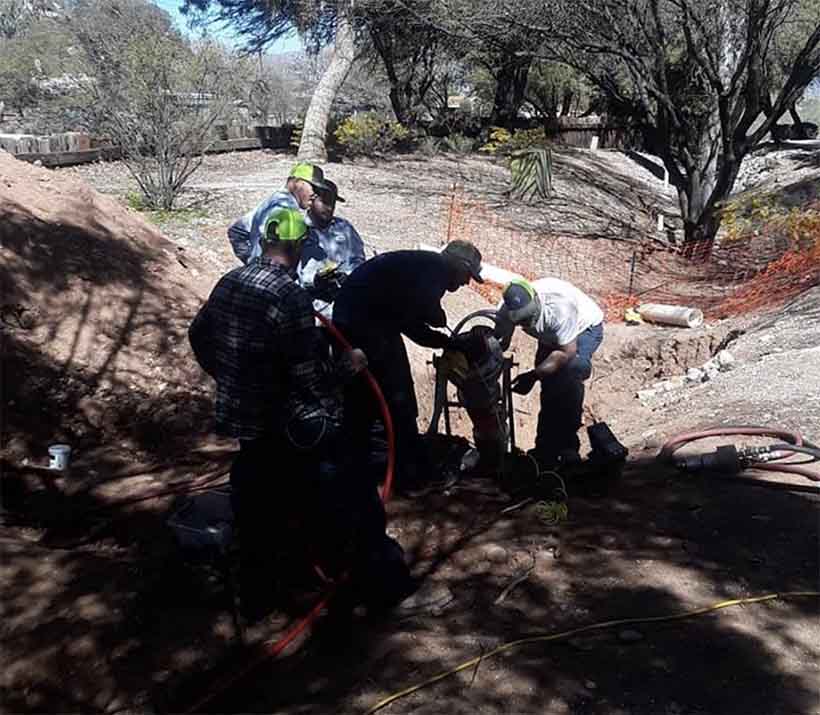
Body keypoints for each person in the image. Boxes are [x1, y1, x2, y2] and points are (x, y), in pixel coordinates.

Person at [190, 207, 412, 622]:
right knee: (355, 491)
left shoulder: (228, 282)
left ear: (264, 241)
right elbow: (310, 378)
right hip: (292, 424)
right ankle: (388, 588)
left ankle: (262, 594)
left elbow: (198, 335)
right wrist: (349, 365)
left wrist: (228, 375)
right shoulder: (289, 297)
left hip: (248, 423)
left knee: (259, 500)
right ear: (295, 247)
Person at [332, 241, 484, 490]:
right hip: (365, 324)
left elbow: (410, 324)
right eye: (468, 275)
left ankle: (356, 466)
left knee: (365, 396)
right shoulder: (436, 269)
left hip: (358, 319)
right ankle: (412, 474)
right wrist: (439, 321)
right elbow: (419, 320)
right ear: (459, 265)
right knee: (399, 396)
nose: (467, 282)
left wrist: (446, 340)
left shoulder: (421, 266)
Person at [494, 277, 604, 467]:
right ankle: (544, 450)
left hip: (583, 330)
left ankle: (568, 449)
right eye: (522, 320)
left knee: (569, 377)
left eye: (530, 317)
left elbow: (566, 352)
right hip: (551, 337)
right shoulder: (506, 310)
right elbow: (502, 342)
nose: (528, 322)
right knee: (550, 388)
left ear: (536, 300)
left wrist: (533, 375)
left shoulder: (560, 309)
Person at [226, 162, 331, 265]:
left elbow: (236, 231)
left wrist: (251, 263)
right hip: (274, 277)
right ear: (297, 183)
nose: (316, 195)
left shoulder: (273, 200)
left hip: (262, 274)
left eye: (319, 191)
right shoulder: (285, 208)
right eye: (314, 188)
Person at [298, 179, 367, 317]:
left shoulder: (344, 227)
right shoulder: (298, 229)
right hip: (310, 307)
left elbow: (358, 259)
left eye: (333, 203)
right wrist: (313, 280)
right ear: (312, 200)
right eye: (325, 202)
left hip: (344, 303)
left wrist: (347, 275)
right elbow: (287, 271)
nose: (329, 208)